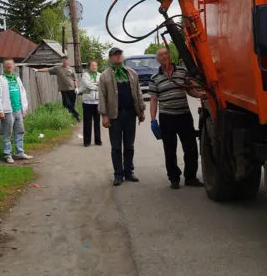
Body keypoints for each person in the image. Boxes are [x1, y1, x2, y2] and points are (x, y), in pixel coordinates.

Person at [149, 48, 203, 189]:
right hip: (167, 118)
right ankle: (174, 178)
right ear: (158, 60)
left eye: (165, 54)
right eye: (160, 55)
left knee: (190, 148)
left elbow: (190, 89)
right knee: (170, 150)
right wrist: (153, 120)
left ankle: (190, 177)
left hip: (184, 115)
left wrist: (202, 95)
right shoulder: (154, 78)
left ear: (170, 56)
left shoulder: (182, 72)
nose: (163, 57)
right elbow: (154, 100)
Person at [99, 48, 146, 186]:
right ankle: (118, 175)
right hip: (115, 116)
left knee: (129, 145)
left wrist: (141, 111)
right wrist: (104, 116)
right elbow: (102, 97)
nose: (118, 56)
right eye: (115, 55)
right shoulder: (105, 76)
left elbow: (138, 92)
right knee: (116, 147)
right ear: (110, 58)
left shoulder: (131, 73)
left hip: (130, 114)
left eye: (120, 54)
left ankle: (129, 172)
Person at [0, 59, 33, 163]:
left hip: (18, 109)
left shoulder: (17, 78)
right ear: (4, 67)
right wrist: (0, 111)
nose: (9, 66)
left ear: (14, 66)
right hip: (7, 111)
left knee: (19, 132)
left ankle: (19, 153)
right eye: (7, 65)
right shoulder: (0, 80)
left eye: (11, 64)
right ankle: (7, 154)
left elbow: (23, 93)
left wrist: (24, 108)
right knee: (7, 133)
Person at [37, 57, 80, 121]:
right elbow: (48, 69)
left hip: (72, 88)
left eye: (66, 61)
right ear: (62, 61)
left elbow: (75, 79)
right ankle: (76, 115)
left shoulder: (71, 69)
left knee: (72, 104)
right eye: (64, 61)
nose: (65, 62)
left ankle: (72, 117)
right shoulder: (57, 68)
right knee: (66, 103)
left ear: (68, 61)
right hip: (63, 89)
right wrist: (38, 70)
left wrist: (76, 88)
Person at [81, 60, 102, 147]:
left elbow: (102, 84)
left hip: (97, 102)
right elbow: (87, 85)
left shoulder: (100, 75)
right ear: (89, 66)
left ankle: (97, 141)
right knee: (87, 123)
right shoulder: (85, 75)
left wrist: (96, 85)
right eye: (93, 65)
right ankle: (87, 142)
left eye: (96, 65)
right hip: (87, 102)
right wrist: (96, 85)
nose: (94, 67)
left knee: (97, 122)